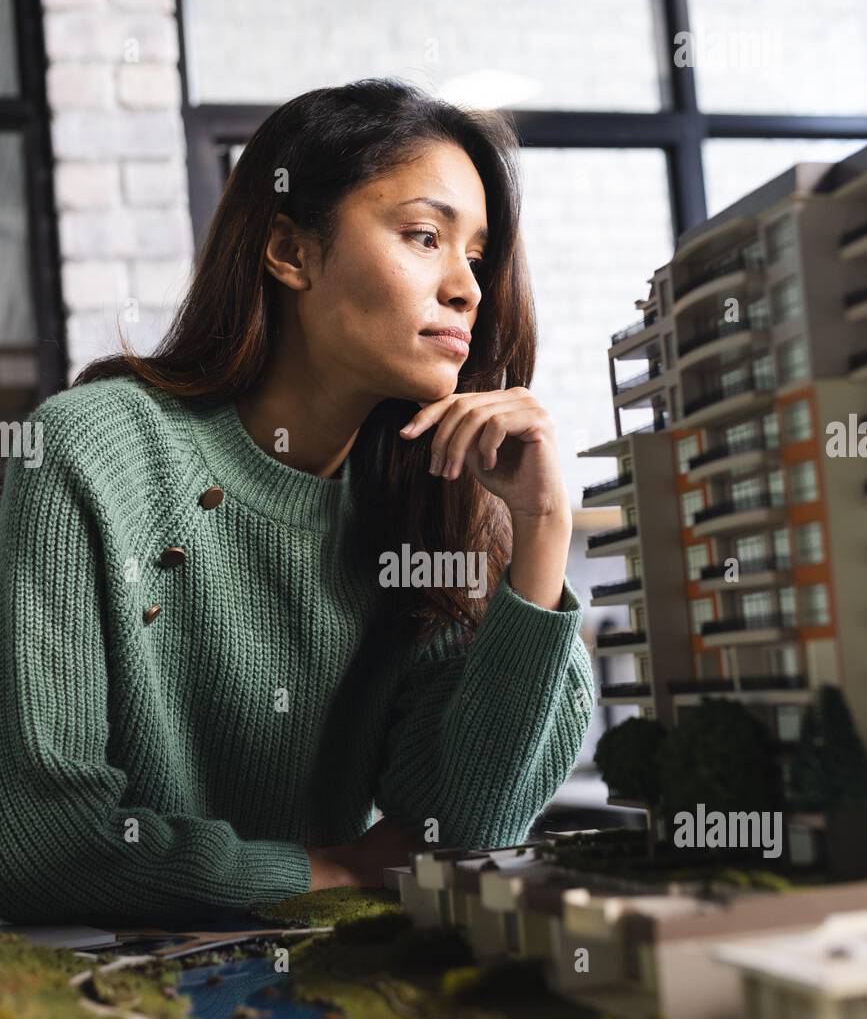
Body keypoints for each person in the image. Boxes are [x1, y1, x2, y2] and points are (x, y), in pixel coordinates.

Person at [0, 77, 594, 927]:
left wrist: (539, 533)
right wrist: (326, 869)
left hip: (334, 986)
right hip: (100, 997)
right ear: (290, 251)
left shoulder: (429, 501)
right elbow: (39, 839)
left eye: (476, 255)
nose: (466, 286)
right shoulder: (92, 451)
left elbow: (462, 823)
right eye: (425, 236)